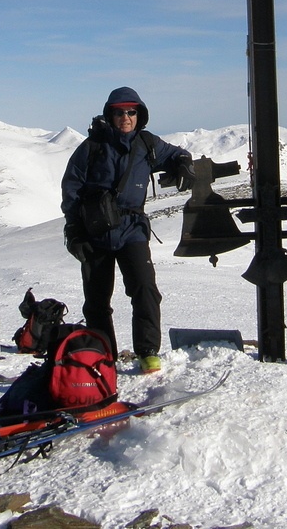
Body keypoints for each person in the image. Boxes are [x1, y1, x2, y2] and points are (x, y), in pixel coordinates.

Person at [61, 87, 195, 374]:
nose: (125, 117)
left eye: (131, 111)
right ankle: (103, 356)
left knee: (145, 289)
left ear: (139, 114)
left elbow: (176, 154)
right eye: (119, 112)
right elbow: (71, 189)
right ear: (110, 114)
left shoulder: (147, 144)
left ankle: (147, 352)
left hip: (132, 229)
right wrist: (74, 232)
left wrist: (183, 163)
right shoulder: (91, 147)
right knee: (97, 300)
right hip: (94, 232)